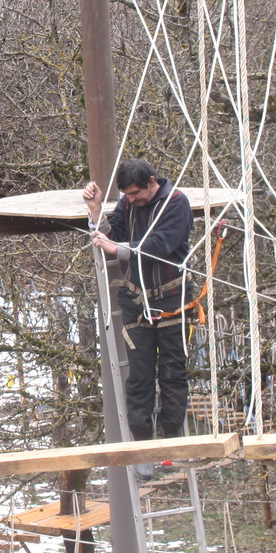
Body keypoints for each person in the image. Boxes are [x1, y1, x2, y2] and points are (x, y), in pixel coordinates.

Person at [83, 160, 195, 470]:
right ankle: (144, 448)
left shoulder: (176, 203)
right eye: (127, 195)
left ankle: (171, 442)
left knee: (173, 374)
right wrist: (95, 212)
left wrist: (116, 250)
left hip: (173, 297)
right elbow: (114, 231)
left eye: (135, 193)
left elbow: (160, 246)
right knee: (140, 377)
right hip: (137, 300)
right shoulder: (127, 202)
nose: (132, 200)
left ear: (152, 182)